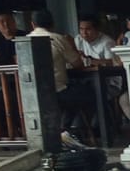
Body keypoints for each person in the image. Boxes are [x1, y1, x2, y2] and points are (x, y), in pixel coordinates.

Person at [28, 10, 91, 140]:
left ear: (33, 24)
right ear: (53, 24)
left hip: (31, 95)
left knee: (73, 95)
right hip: (56, 92)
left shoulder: (25, 40)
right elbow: (78, 64)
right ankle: (66, 129)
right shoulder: (57, 38)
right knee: (87, 93)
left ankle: (62, 131)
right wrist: (72, 46)